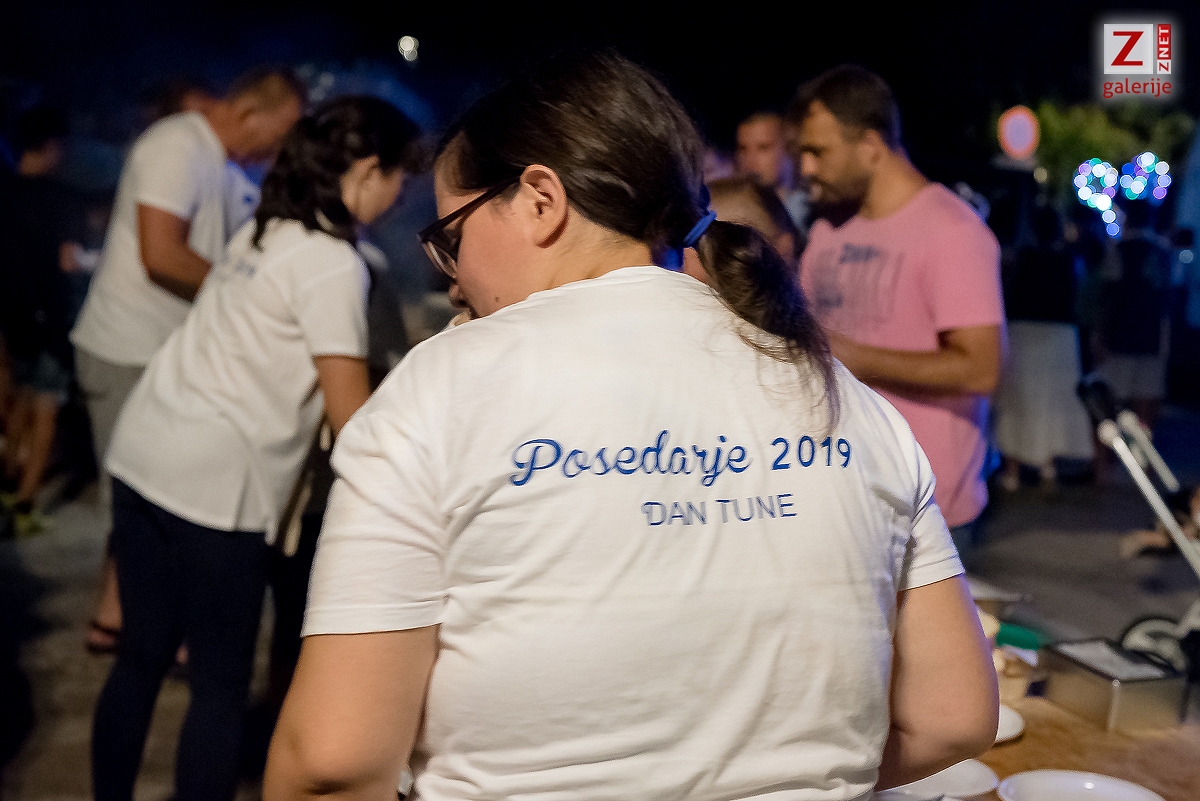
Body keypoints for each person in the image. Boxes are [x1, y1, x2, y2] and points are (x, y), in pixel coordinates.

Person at [263, 51, 998, 801]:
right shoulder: (843, 397)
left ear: (540, 200)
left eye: (454, 237)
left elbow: (333, 763)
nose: (455, 279)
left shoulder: (442, 388)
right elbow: (954, 715)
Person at [90, 95, 424, 801]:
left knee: (140, 658)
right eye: (400, 177)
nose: (400, 196)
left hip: (144, 450)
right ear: (368, 171)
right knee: (219, 688)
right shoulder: (334, 264)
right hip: (217, 487)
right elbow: (351, 418)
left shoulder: (264, 229)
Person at [71, 66, 306, 655]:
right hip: (125, 346)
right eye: (280, 133)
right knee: (146, 501)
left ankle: (115, 617)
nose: (279, 147)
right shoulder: (177, 145)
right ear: (249, 111)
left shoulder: (228, 167)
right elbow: (161, 254)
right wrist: (246, 296)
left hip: (162, 351)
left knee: (148, 498)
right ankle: (148, 631)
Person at [787, 65, 1005, 563]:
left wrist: (854, 358)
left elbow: (982, 368)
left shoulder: (952, 231)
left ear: (871, 144)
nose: (806, 168)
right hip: (836, 495)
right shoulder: (827, 230)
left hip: (922, 514)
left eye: (818, 151)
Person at [0, 106, 86, 536]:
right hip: (50, 317)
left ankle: (6, 480)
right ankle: (25, 505)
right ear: (52, 147)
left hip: (12, 316)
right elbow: (69, 261)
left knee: (19, 396)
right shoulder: (63, 199)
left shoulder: (3, 192)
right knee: (46, 407)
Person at [993, 203, 1094, 493]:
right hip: (1060, 334)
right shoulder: (1070, 260)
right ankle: (1047, 465)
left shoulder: (1020, 257)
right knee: (1052, 399)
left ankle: (1012, 469)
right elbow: (1077, 297)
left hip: (1024, 331)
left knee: (1019, 398)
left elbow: (1008, 291)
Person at [735, 111, 809, 234]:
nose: (751, 160)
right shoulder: (730, 212)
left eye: (763, 148)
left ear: (788, 149)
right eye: (742, 149)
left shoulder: (809, 211)